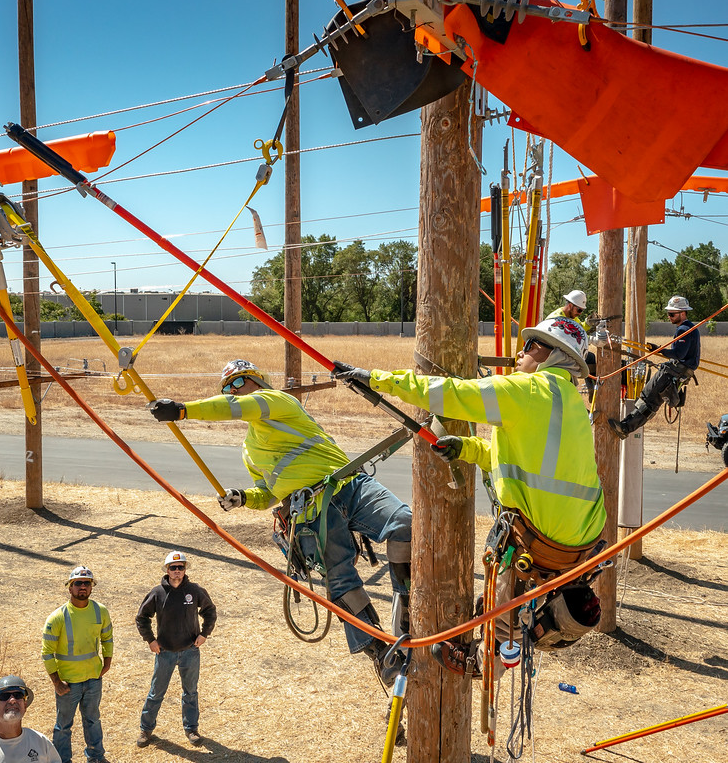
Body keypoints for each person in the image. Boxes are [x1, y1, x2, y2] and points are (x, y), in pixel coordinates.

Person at [332, 317, 606, 674]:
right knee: (507, 601)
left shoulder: (526, 390)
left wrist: (376, 380)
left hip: (542, 541)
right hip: (585, 541)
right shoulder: (569, 401)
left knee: (502, 613)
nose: (520, 353)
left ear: (547, 352)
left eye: (529, 345)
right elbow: (525, 462)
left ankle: (481, 663)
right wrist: (468, 448)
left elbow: (452, 393)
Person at [148, 359, 412, 686]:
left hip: (348, 485)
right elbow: (269, 493)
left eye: (238, 383)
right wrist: (244, 497)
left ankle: (410, 606)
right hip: (313, 512)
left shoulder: (279, 401)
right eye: (227, 387)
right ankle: (380, 651)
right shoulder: (250, 450)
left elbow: (234, 406)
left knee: (404, 523)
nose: (232, 391)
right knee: (341, 581)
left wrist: (184, 410)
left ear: (256, 382)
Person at [135, 550, 217, 748]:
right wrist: (150, 640)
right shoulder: (157, 593)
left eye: (181, 567)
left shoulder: (195, 591)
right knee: (156, 692)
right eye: (173, 568)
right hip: (165, 653)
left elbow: (210, 611)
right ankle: (146, 730)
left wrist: (204, 633)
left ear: (185, 569)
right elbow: (142, 617)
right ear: (167, 570)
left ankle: (192, 729)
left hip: (190, 651)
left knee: (190, 692)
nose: (177, 571)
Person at [42, 566, 113, 763]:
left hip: (92, 680)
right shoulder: (57, 617)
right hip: (67, 684)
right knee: (63, 726)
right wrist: (56, 682)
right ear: (70, 587)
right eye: (78, 583)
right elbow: (46, 652)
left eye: (86, 583)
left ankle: (96, 757)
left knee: (93, 720)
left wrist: (107, 663)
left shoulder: (101, 612)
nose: (83, 587)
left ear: (91, 587)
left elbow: (108, 638)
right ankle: (62, 760)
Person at [608, 295, 700, 440]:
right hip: (678, 372)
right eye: (668, 313)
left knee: (647, 400)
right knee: (651, 402)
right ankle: (626, 426)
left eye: (672, 314)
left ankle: (625, 427)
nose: (669, 317)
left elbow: (678, 353)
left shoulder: (684, 329)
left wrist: (658, 350)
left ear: (683, 313)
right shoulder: (690, 328)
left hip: (673, 371)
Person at [0, 676, 60, 763]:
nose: (12, 700)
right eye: (4, 696)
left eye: (18, 695)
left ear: (25, 706)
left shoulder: (41, 742)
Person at [547, 289, 602, 400]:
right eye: (579, 310)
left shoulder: (571, 317)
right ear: (570, 305)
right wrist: (590, 339)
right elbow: (570, 335)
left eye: (581, 310)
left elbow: (578, 328)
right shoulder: (557, 318)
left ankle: (592, 387)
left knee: (590, 357)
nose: (579, 313)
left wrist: (587, 323)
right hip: (556, 356)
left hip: (565, 352)